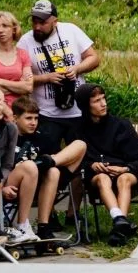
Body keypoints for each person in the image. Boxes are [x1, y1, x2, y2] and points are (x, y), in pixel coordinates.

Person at [17, 0, 100, 155]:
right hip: (45, 114)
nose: (37, 27)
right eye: (34, 21)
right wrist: (46, 78)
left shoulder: (71, 30)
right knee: (46, 158)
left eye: (43, 22)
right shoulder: (25, 41)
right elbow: (19, 79)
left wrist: (77, 69)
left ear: (55, 21)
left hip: (77, 111)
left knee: (81, 158)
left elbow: (94, 58)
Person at [75, 83, 138, 246]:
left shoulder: (121, 125)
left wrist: (125, 168)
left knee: (124, 179)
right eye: (96, 101)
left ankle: (119, 224)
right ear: (85, 106)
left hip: (126, 171)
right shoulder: (79, 129)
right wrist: (92, 165)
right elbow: (76, 162)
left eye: (103, 99)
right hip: (97, 176)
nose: (103, 104)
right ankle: (120, 222)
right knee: (103, 178)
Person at [11, 96, 86, 240]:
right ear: (15, 118)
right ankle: (40, 164)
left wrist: (52, 161)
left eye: (36, 118)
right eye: (28, 118)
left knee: (76, 148)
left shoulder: (41, 136)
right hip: (16, 185)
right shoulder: (9, 135)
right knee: (30, 166)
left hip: (43, 184)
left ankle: (43, 228)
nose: (33, 123)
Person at [0, 86, 38, 243]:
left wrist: (1, 184)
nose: (0, 105)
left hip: (0, 179)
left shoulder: (10, 128)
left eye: (2, 101)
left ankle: (22, 224)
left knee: (29, 166)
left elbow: (7, 164)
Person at [0, 11, 32, 108]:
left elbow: (28, 87)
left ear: (14, 29)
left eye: (5, 26)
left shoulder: (23, 54)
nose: (0, 30)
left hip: (20, 109)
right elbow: (23, 87)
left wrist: (0, 82)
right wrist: (18, 85)